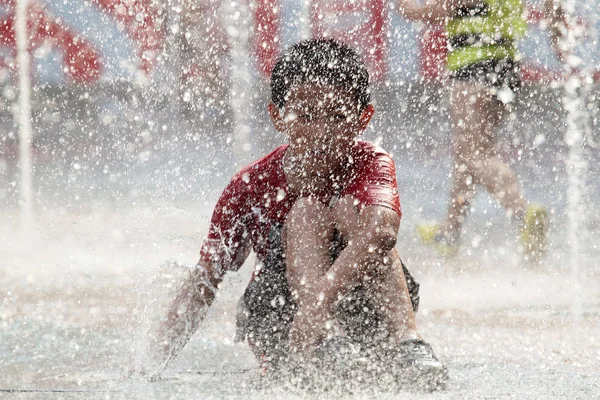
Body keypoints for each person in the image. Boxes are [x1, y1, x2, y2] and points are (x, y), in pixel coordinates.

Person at [137, 38, 447, 388]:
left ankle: (408, 344)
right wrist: (150, 366)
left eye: (337, 117)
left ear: (364, 118)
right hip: (280, 317)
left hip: (357, 312)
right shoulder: (249, 186)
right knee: (308, 211)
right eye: (306, 116)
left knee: (352, 213)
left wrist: (316, 304)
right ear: (277, 116)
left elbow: (381, 234)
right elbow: (205, 281)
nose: (321, 132)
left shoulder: (371, 161)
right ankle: (324, 341)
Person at [396, 0, 563, 260]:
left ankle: (523, 212)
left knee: (476, 154)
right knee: (466, 153)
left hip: (475, 65)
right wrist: (556, 28)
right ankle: (449, 231)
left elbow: (439, 8)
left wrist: (408, 8)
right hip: (503, 64)